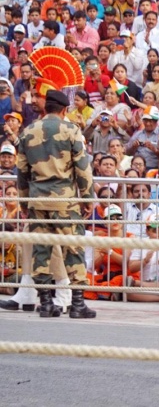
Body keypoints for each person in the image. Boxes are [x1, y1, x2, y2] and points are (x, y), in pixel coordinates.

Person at [15, 89, 97, 319]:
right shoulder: (71, 130)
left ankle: (46, 303)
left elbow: (21, 171)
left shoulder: (28, 131)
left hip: (37, 198)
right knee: (73, 248)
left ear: (45, 107)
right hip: (65, 200)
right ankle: (78, 303)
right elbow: (83, 169)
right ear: (64, 109)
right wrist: (88, 197)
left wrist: (23, 200)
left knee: (41, 249)